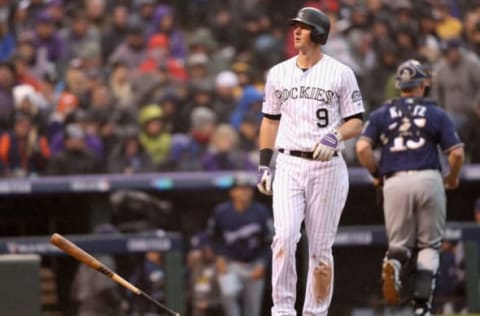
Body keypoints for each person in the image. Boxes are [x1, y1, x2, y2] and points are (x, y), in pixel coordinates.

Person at [256, 7, 365, 316]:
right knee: (284, 238)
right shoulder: (278, 72)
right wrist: (265, 163)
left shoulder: (341, 72)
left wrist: (336, 136)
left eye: (303, 27)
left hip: (327, 168)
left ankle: (316, 312)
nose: (297, 31)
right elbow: (269, 121)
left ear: (318, 33)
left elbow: (356, 121)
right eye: (295, 26)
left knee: (320, 251)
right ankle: (283, 310)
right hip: (289, 163)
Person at [355, 59, 465, 316]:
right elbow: (457, 153)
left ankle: (394, 260)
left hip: (394, 180)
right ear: (423, 83)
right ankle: (421, 307)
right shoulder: (435, 112)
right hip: (428, 177)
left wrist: (376, 174)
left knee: (400, 244)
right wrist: (452, 177)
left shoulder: (382, 113)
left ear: (399, 85)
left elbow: (362, 148)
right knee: (429, 246)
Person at [207, 176, 273, 316]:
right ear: (233, 192)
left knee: (253, 310)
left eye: (248, 189)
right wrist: (219, 257)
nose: (245, 192)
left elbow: (270, 241)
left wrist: (262, 263)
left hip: (254, 264)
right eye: (241, 189)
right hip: (231, 264)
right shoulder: (222, 211)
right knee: (229, 293)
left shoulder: (261, 212)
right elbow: (213, 238)